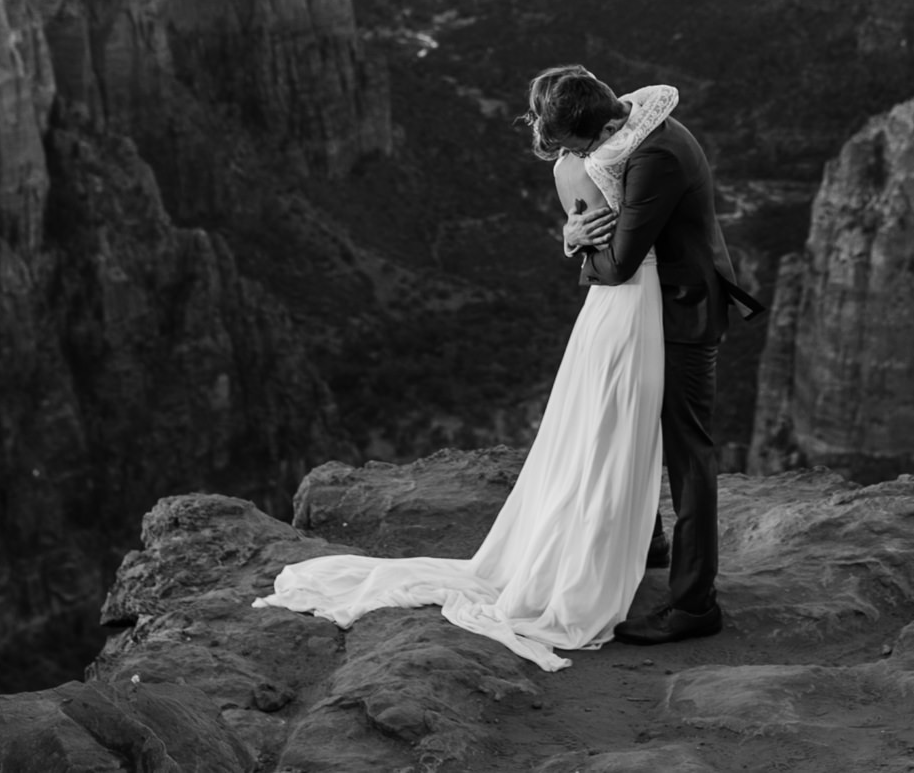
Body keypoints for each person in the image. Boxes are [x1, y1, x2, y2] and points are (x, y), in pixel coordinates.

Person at [251, 76, 680, 670]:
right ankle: (603, 560)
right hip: (631, 299)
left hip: (610, 310)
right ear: (586, 132)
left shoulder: (576, 165)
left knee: (601, 426)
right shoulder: (618, 155)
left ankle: (626, 543)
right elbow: (613, 251)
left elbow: (590, 232)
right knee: (616, 426)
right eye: (603, 128)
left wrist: (570, 238)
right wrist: (578, 239)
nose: (613, 132)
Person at [555, 65, 761, 646]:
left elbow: (618, 263)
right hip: (654, 307)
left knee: (689, 453)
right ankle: (650, 543)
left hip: (681, 314)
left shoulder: (657, 156)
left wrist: (579, 250)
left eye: (575, 146)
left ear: (600, 129)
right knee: (633, 424)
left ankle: (694, 604)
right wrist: (573, 233)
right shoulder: (634, 137)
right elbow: (599, 227)